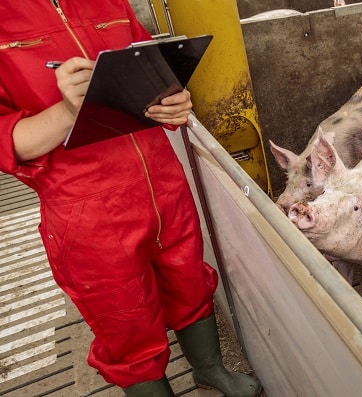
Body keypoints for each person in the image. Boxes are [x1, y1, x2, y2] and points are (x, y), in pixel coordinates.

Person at [0, 2, 261, 397]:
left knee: (189, 280)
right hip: (84, 206)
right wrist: (70, 112)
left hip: (162, 178)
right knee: (124, 319)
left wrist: (173, 102)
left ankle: (210, 369)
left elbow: (148, 75)